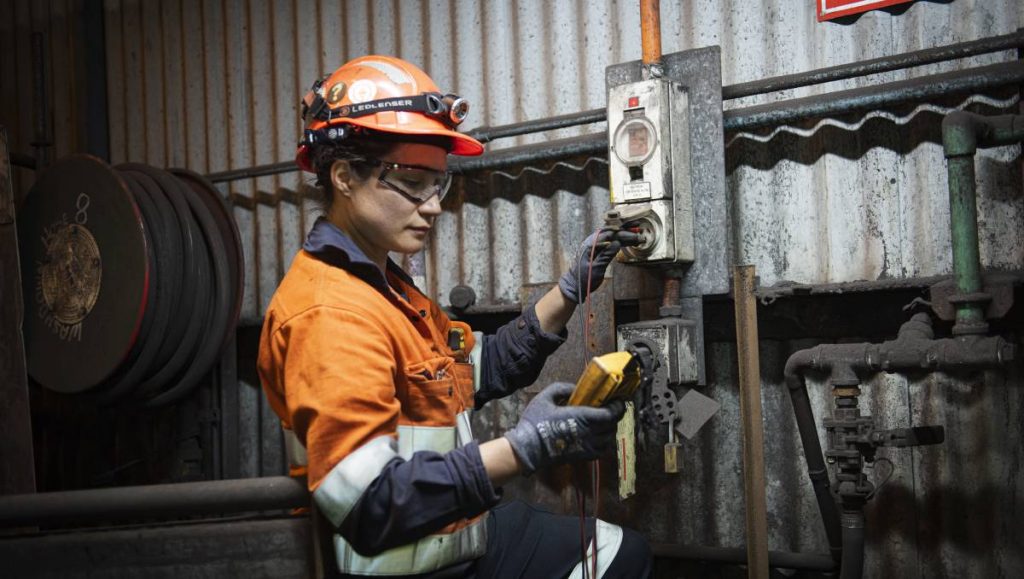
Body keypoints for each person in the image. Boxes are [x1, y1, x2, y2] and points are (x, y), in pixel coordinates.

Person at [258, 55, 651, 579]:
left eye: (437, 184)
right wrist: (526, 448)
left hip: (457, 536)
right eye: (409, 182)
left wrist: (569, 290)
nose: (432, 206)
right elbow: (372, 505)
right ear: (345, 176)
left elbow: (478, 370)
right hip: (408, 566)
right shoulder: (330, 314)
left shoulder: (383, 286)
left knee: (621, 554)